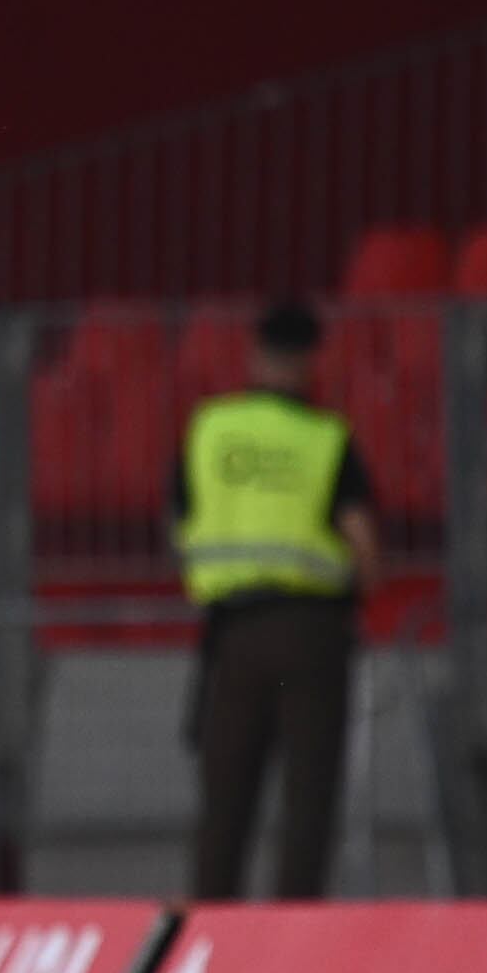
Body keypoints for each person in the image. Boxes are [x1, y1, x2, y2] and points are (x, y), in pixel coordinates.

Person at [173, 299, 379, 903]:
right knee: (307, 796)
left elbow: (181, 522)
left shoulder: (210, 429)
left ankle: (208, 931)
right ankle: (295, 933)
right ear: (310, 361)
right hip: (310, 632)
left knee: (224, 797)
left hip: (230, 633)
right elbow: (364, 545)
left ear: (254, 356)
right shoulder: (325, 437)